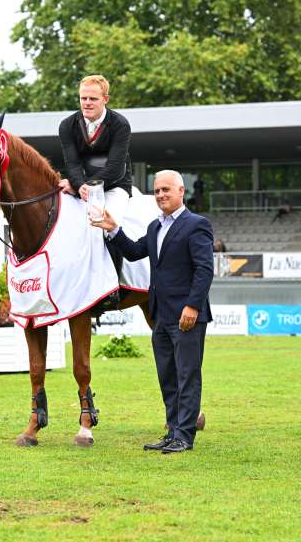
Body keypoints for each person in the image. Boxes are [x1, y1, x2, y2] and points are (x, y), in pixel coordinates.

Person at [91, 170, 214, 454]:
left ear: (181, 191)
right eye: (157, 191)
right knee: (167, 377)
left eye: (166, 190)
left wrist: (193, 306)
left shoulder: (197, 225)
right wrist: (113, 229)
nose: (160, 195)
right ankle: (172, 431)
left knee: (187, 375)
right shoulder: (155, 227)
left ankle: (185, 435)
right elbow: (134, 252)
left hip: (187, 316)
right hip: (161, 315)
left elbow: (204, 270)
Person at [58, 75, 133, 231]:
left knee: (105, 227)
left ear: (105, 99)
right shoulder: (66, 125)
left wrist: (84, 186)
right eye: (83, 98)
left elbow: (115, 167)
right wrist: (79, 186)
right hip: (82, 185)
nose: (87, 103)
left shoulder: (121, 125)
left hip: (115, 185)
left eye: (93, 99)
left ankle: (115, 255)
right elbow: (72, 163)